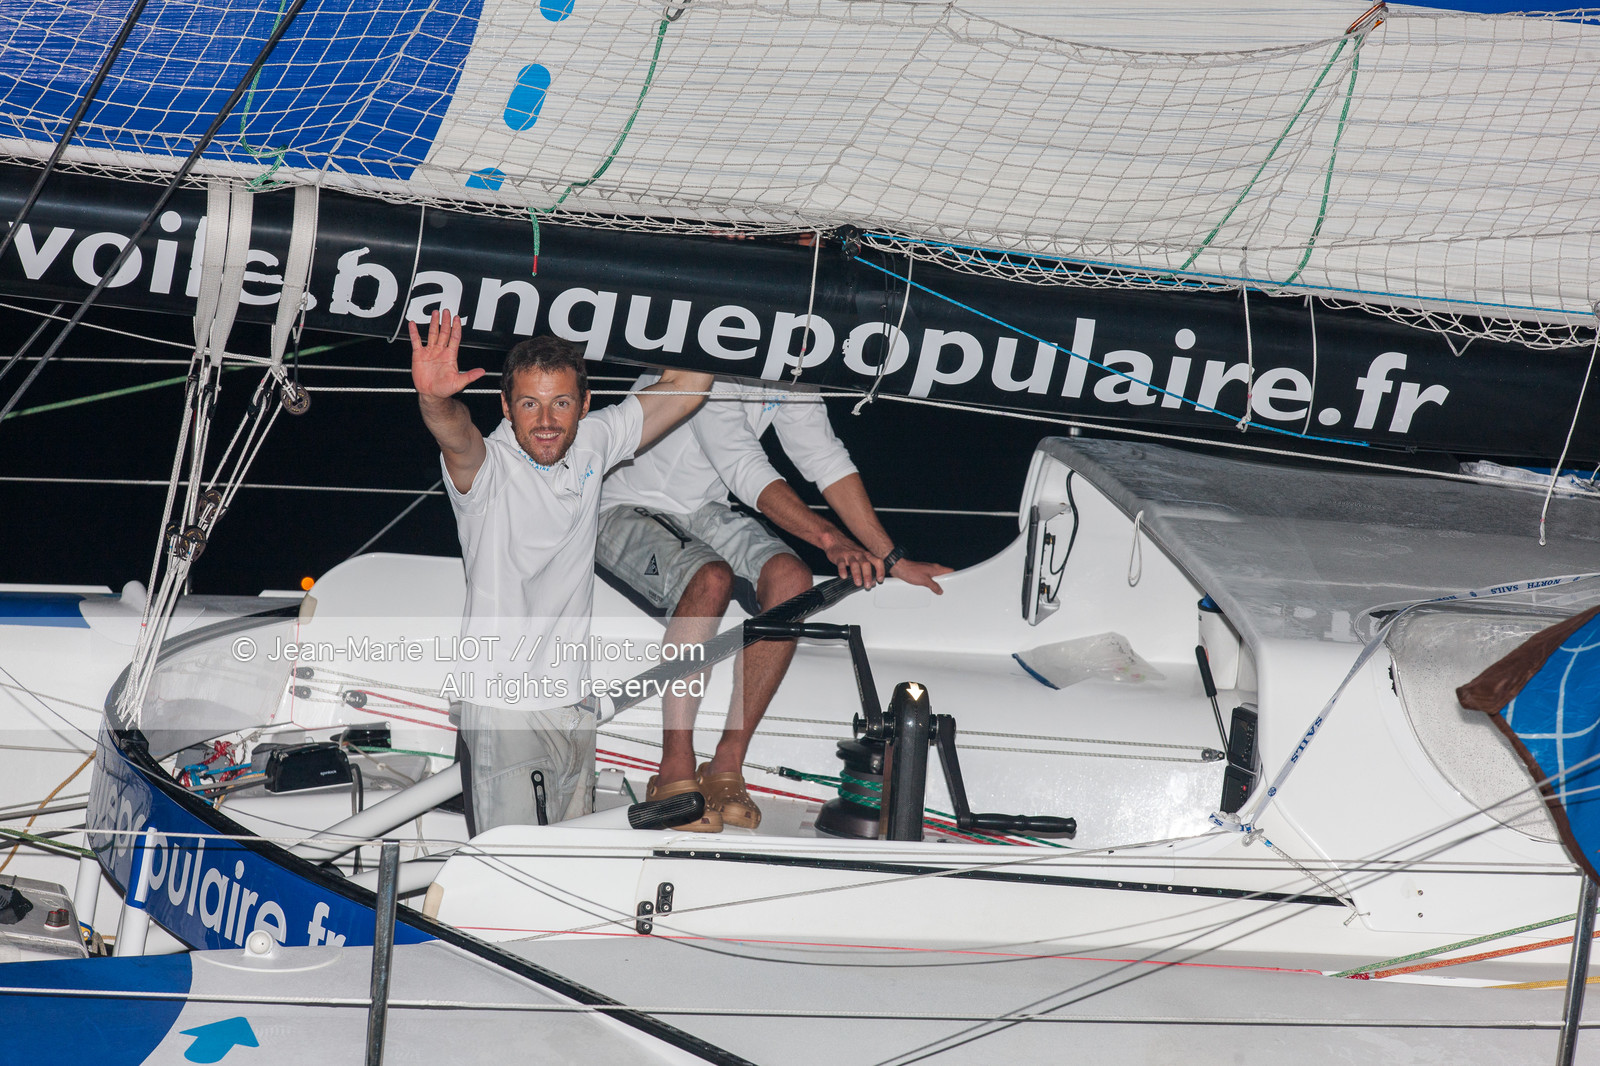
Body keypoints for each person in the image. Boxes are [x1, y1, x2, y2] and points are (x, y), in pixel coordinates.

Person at [597, 375, 951, 832]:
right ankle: (674, 766)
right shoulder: (716, 349)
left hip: (701, 508)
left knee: (791, 579)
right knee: (710, 578)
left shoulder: (795, 371)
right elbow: (743, 465)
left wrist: (891, 556)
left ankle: (726, 765)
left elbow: (825, 458)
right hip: (621, 504)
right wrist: (831, 541)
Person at [411, 309, 712, 834]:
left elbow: (688, 387)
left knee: (566, 868)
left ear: (583, 405)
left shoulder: (593, 441)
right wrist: (436, 400)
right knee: (510, 874)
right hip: (503, 711)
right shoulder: (491, 470)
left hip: (573, 707)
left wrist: (714, 296)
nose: (546, 421)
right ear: (506, 407)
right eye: (529, 404)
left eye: (561, 403)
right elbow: (457, 438)